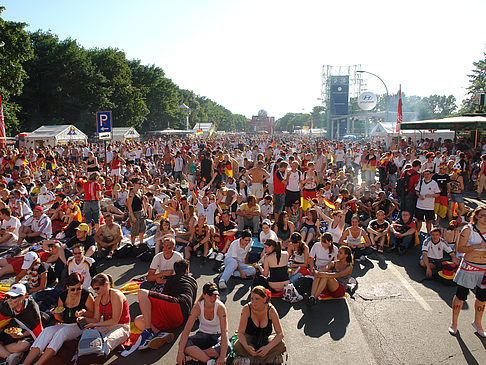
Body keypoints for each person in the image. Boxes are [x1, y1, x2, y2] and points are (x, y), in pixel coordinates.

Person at [22, 273, 95, 365]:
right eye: (73, 289)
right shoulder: (63, 296)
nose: (76, 291)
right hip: (66, 324)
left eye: (78, 288)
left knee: (62, 332)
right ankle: (25, 363)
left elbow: (93, 315)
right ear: (67, 287)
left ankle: (38, 363)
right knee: (47, 331)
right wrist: (57, 314)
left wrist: (83, 312)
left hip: (80, 325)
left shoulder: (86, 295)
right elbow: (61, 319)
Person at [135, 260, 198, 350]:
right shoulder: (193, 282)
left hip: (177, 305)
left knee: (142, 293)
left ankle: (148, 331)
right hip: (181, 319)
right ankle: (160, 333)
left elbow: (164, 295)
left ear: (175, 271)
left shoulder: (172, 279)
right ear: (186, 270)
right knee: (139, 320)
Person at [449, 207, 486, 337]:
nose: (485, 218)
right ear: (476, 216)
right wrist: (477, 247)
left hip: (484, 268)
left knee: (482, 298)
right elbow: (460, 248)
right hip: (469, 267)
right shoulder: (468, 230)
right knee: (461, 296)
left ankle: (478, 323)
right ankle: (454, 323)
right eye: (483, 215)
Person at [176, 283, 229, 365]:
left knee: (227, 347)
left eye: (215, 295)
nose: (213, 298)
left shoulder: (220, 308)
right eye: (210, 295)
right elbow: (187, 330)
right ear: (204, 295)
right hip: (202, 334)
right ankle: (210, 361)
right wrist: (180, 352)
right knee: (183, 343)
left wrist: (222, 356)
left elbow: (224, 332)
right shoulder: (197, 307)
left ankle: (194, 356)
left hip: (217, 335)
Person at [81, 273, 131, 357]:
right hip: (106, 325)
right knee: (89, 340)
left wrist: (95, 324)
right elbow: (96, 319)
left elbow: (115, 320)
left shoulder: (116, 296)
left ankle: (97, 359)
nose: (95, 291)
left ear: (106, 285)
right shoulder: (98, 299)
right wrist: (84, 319)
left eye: (97, 288)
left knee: (105, 343)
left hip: (121, 326)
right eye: (94, 289)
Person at [233, 286, 285, 364]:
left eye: (257, 299)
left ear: (264, 299)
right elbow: (240, 333)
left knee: (281, 345)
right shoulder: (247, 308)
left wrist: (267, 348)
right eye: (252, 299)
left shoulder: (271, 310)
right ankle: (265, 360)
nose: (253, 302)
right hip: (249, 340)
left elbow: (280, 334)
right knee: (237, 346)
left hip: (265, 341)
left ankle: (251, 361)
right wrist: (246, 347)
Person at [0, 283, 43, 365]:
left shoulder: (31, 310)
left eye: (13, 297)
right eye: (8, 297)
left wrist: (22, 335)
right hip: (11, 329)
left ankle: (5, 353)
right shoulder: (7, 305)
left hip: (25, 333)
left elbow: (39, 333)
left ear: (23, 297)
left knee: (24, 345)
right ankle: (9, 357)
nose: (9, 300)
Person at [415, 169, 440, 235]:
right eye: (425, 174)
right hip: (420, 205)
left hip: (429, 206)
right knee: (419, 220)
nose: (426, 176)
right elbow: (417, 191)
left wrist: (431, 195)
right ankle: (417, 233)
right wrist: (419, 196)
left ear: (431, 175)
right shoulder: (420, 182)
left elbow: (438, 194)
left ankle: (429, 233)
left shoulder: (434, 183)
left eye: (428, 174)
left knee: (428, 221)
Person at [127, 177, 147, 245]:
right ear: (135, 184)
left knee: (142, 229)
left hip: (141, 212)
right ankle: (133, 244)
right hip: (135, 213)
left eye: (141, 183)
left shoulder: (140, 191)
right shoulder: (131, 193)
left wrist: (145, 211)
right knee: (135, 230)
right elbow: (129, 205)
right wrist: (132, 216)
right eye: (139, 183)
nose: (140, 185)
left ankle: (141, 244)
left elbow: (142, 202)